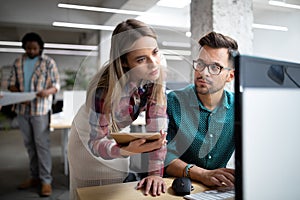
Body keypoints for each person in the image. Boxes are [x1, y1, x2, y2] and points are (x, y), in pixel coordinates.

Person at [68, 18, 168, 200]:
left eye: (155, 52)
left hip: (118, 135)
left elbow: (158, 133)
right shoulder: (105, 88)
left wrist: (155, 174)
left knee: (119, 189)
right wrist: (125, 150)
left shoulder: (156, 76)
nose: (154, 63)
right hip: (88, 139)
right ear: (124, 62)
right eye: (141, 59)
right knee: (90, 194)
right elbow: (95, 142)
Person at [164, 31, 238, 188]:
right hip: (177, 188)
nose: (203, 72)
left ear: (230, 76)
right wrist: (203, 174)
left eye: (215, 67)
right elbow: (163, 156)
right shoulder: (173, 102)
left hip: (218, 190)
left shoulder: (240, 108)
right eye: (200, 64)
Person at [7, 32, 60, 197]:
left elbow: (56, 85)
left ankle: (46, 181)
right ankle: (34, 177)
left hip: (40, 110)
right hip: (22, 110)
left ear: (40, 48)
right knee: (29, 145)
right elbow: (10, 84)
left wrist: (47, 92)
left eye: (34, 48)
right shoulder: (18, 62)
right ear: (24, 47)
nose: (31, 51)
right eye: (28, 48)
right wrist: (19, 95)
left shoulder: (48, 62)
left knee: (41, 145)